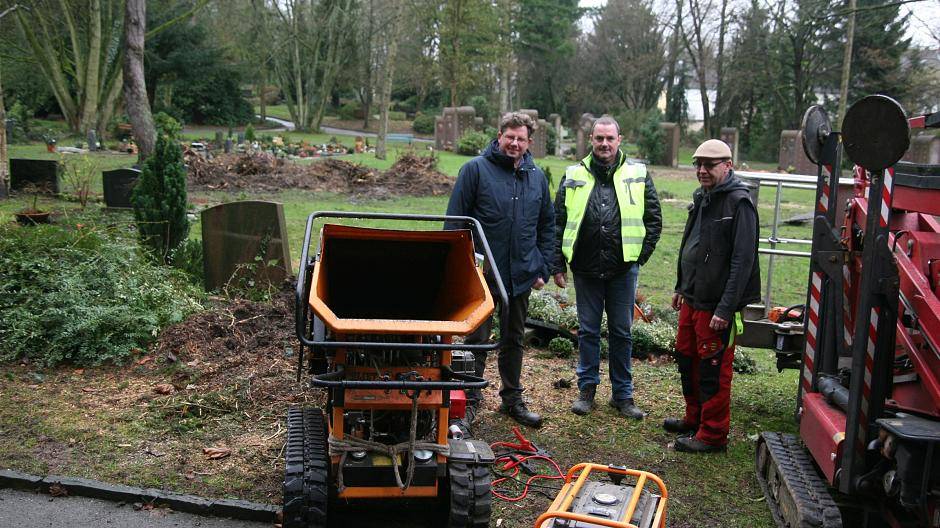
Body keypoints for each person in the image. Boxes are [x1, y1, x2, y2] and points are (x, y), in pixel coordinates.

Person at [444, 112, 555, 429]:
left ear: (528, 142)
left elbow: (547, 225)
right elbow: (454, 224)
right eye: (510, 137)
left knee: (513, 339)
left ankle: (512, 399)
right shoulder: (475, 171)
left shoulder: (536, 177)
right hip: (480, 278)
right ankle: (468, 402)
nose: (515, 144)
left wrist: (542, 267)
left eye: (521, 139)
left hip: (520, 276)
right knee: (476, 341)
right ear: (499, 135)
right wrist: (458, 270)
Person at [551, 116, 662, 420]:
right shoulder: (574, 173)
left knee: (622, 332)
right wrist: (557, 262)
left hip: (622, 270)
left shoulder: (638, 173)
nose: (604, 144)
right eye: (599, 138)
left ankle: (623, 396)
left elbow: (653, 220)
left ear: (619, 140)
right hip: (585, 269)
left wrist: (638, 257)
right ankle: (586, 391)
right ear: (591, 140)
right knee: (588, 331)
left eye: (609, 139)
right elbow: (558, 220)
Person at [666, 139, 760, 453]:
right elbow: (692, 245)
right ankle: (694, 418)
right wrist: (682, 286)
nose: (702, 171)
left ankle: (713, 434)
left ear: (727, 165)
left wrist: (726, 307)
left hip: (716, 306)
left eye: (710, 165)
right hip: (693, 297)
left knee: (713, 368)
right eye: (698, 165)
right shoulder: (703, 198)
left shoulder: (738, 203)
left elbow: (742, 261)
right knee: (687, 358)